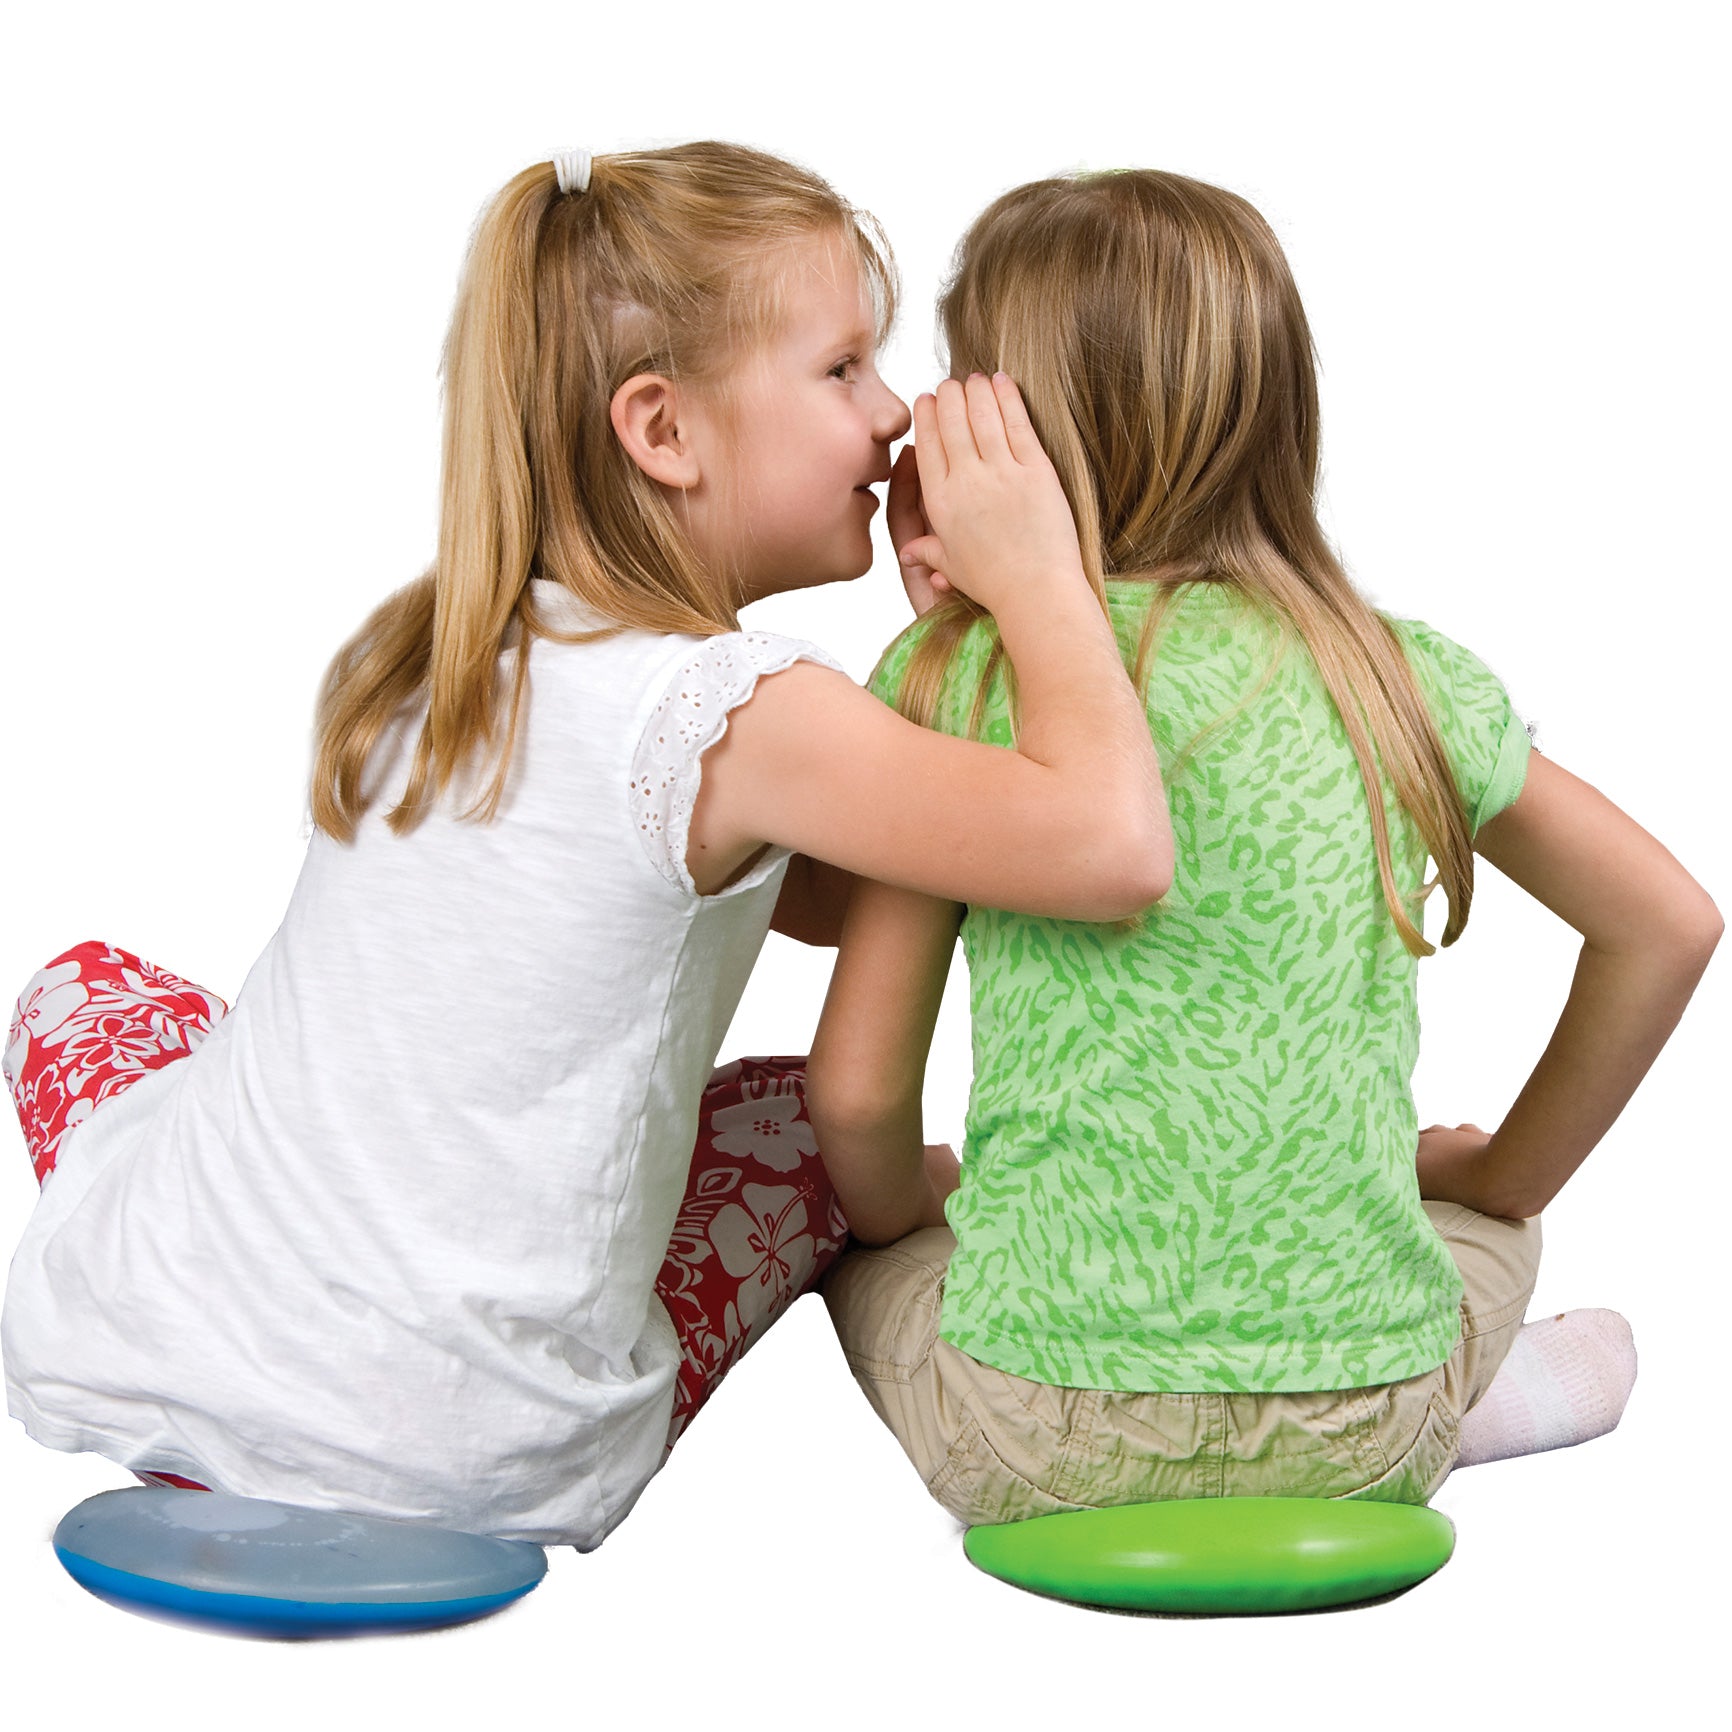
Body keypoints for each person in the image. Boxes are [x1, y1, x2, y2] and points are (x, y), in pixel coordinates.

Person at [1, 143, 1172, 1548]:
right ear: (662, 431)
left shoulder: (443, 649)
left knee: (88, 985)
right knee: (795, 1107)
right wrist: (1034, 578)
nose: (897, 412)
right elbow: (1113, 847)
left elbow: (848, 881)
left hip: (185, 1332)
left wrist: (938, 628)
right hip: (475, 1448)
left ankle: (275, 1280)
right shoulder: (740, 709)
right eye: (846, 367)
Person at [809, 168, 1719, 1522]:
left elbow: (859, 1100)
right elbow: (1670, 923)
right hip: (1363, 1429)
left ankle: (1408, 1396)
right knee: (1481, 1225)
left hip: (1032, 1442)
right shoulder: (1388, 672)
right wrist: (1498, 1175)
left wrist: (906, 1216)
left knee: (858, 1242)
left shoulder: (955, 682)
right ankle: (1474, 1404)